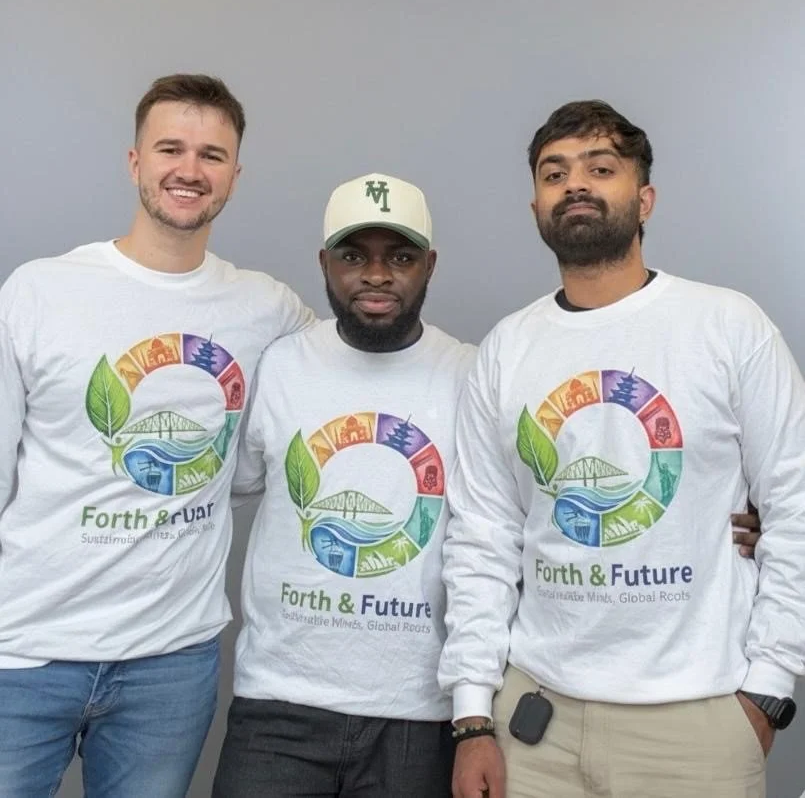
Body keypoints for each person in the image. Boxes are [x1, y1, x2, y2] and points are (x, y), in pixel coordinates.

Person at [439, 100, 804, 798]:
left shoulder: (726, 326)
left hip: (697, 722)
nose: (575, 184)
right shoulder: (507, 347)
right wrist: (471, 713)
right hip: (534, 725)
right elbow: (481, 539)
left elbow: (794, 505)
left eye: (599, 168)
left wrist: (766, 689)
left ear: (644, 199)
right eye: (554, 173)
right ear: (535, 206)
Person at [0, 74, 313, 797]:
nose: (189, 169)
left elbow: (343, 378)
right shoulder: (40, 291)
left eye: (211, 153)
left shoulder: (267, 308)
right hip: (24, 652)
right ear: (134, 160)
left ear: (235, 174)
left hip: (170, 662)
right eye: (170, 147)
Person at [212, 173, 475, 797]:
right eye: (354, 256)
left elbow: (520, 514)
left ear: (430, 265)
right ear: (324, 263)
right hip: (278, 706)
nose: (377, 275)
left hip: (417, 714)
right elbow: (210, 490)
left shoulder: (471, 375)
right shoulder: (279, 367)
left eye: (401, 257)